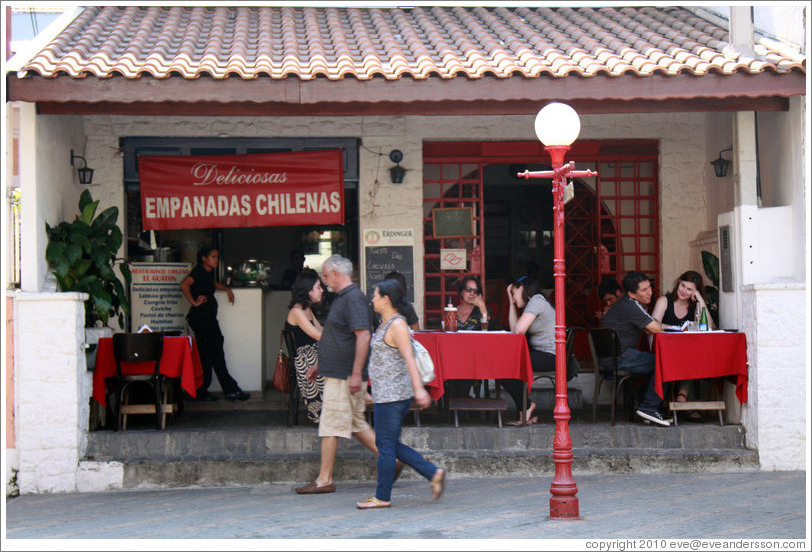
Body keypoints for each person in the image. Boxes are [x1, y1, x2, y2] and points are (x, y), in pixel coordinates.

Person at [356, 279, 445, 509]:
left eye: (375, 295)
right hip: (386, 394)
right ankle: (433, 473)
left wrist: (419, 390)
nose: (372, 299)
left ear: (386, 300)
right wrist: (368, 387)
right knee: (389, 444)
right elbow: (379, 361)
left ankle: (382, 496)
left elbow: (409, 359)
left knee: (385, 446)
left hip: (394, 396)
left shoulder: (397, 325)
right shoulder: (385, 323)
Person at [295, 254, 380, 494]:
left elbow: (363, 336)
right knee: (355, 424)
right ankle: (390, 458)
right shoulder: (344, 299)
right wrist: (320, 364)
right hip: (338, 371)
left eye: (324, 274)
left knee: (330, 426)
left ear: (335, 273)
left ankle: (324, 480)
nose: (322, 280)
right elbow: (337, 338)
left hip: (344, 374)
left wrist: (355, 374)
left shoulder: (353, 298)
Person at [498, 276, 580, 426]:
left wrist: (512, 302)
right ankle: (526, 410)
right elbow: (515, 330)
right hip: (544, 354)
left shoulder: (537, 300)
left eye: (513, 294)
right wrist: (510, 303)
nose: (515, 299)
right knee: (504, 368)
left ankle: (527, 407)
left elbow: (518, 331)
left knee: (505, 368)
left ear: (522, 288)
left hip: (552, 356)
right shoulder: (534, 302)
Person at [180, 245, 250, 402]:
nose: (217, 260)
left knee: (209, 353)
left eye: (217, 257)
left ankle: (204, 390)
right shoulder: (198, 271)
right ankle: (228, 390)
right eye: (213, 257)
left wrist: (227, 289)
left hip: (207, 319)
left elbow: (212, 284)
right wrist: (194, 302)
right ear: (204, 259)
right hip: (202, 319)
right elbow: (184, 284)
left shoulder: (208, 272)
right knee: (214, 353)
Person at [600, 270, 669, 426]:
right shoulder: (631, 306)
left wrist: (677, 327)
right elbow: (655, 328)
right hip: (619, 358)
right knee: (665, 364)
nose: (650, 292)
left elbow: (650, 326)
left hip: (611, 358)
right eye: (644, 290)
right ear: (631, 293)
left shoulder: (627, 304)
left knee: (655, 362)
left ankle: (647, 409)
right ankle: (649, 408)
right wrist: (678, 328)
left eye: (650, 287)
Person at [650, 270, 715, 423]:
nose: (684, 291)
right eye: (682, 286)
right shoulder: (665, 301)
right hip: (665, 351)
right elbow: (653, 324)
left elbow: (709, 326)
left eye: (690, 289)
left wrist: (700, 299)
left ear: (696, 291)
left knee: (692, 355)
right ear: (678, 283)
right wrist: (676, 328)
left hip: (686, 352)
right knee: (688, 357)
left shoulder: (695, 307)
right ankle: (685, 401)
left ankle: (682, 396)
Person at [285, 269, 326, 423]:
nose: (322, 290)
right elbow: (318, 336)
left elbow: (321, 330)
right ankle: (325, 413)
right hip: (305, 359)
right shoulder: (297, 312)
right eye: (318, 287)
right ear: (308, 290)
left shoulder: (306, 309)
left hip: (314, 353)